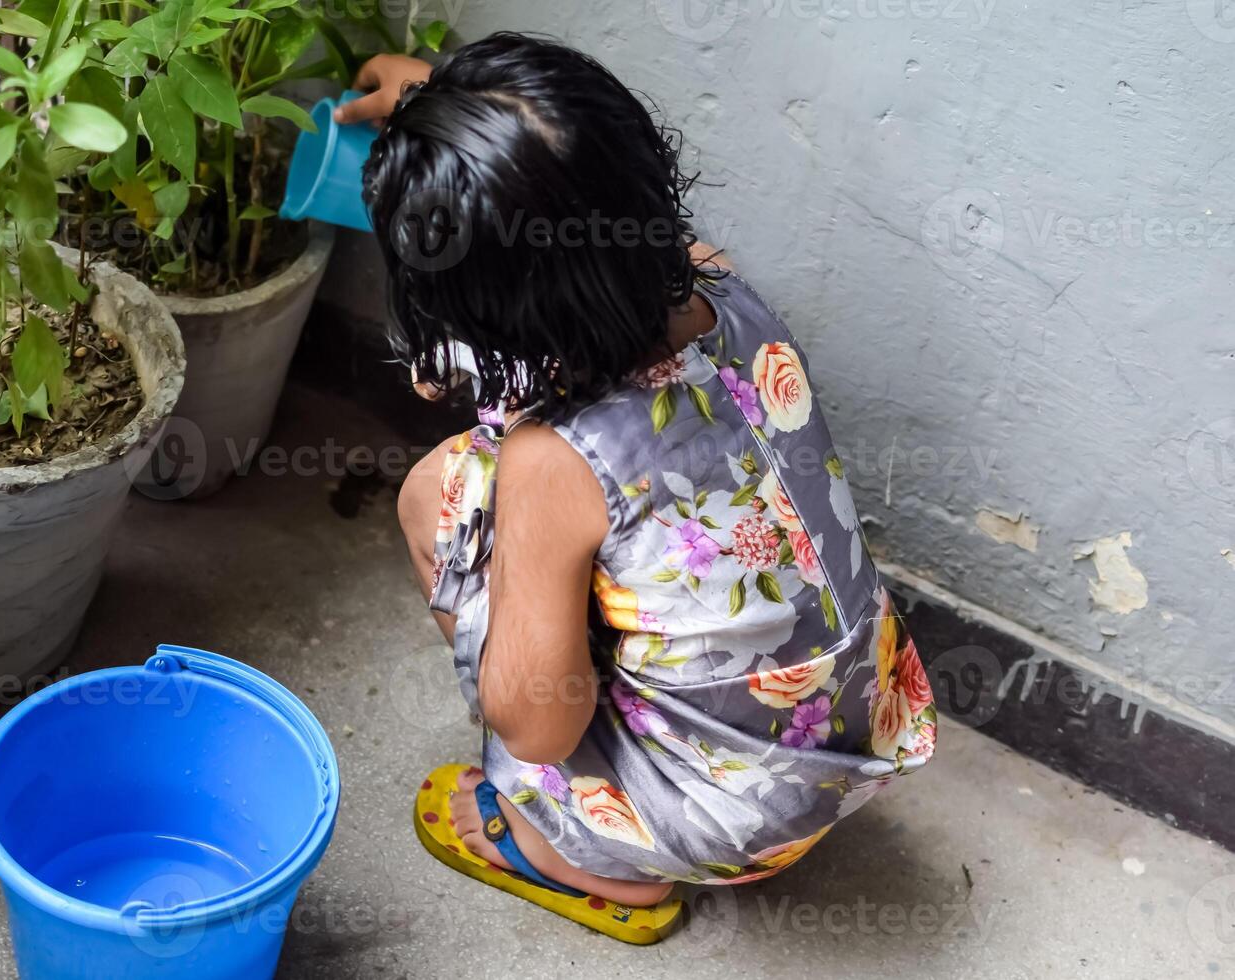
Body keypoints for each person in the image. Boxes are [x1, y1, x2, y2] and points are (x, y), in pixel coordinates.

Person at [344, 33, 936, 941]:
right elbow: (562, 192)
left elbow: (537, 723)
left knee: (439, 493)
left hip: (717, 820)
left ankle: (581, 852)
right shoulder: (719, 282)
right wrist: (438, 108)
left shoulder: (556, 465)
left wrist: (520, 563)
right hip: (862, 728)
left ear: (478, 321)